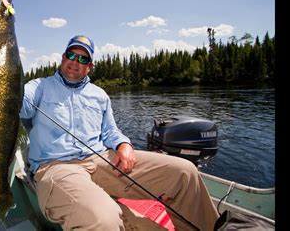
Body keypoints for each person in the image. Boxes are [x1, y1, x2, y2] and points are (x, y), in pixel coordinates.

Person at [19, 35, 219, 230]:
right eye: (71, 55)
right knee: (103, 219)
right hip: (56, 167)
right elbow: (17, 105)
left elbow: (110, 131)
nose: (75, 62)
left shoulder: (100, 95)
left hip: (101, 159)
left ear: (90, 66)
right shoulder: (38, 87)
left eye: (83, 59)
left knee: (185, 173)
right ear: (63, 57)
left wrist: (124, 145)